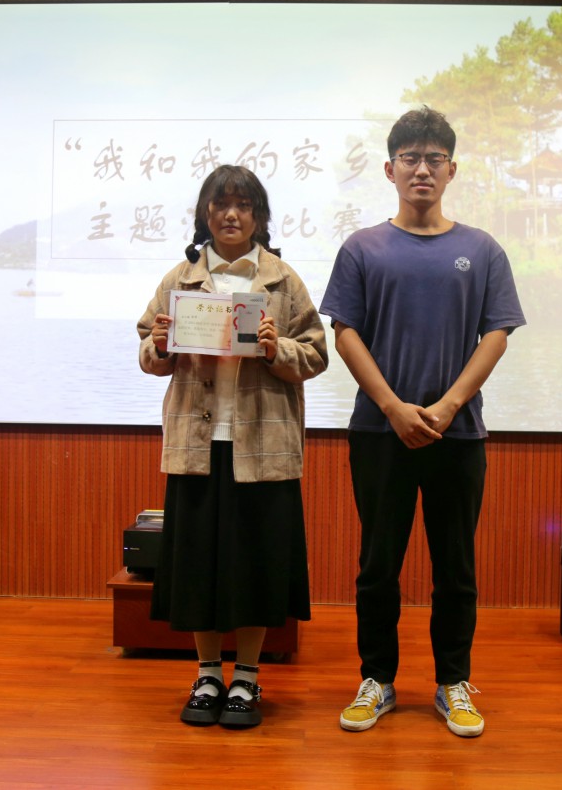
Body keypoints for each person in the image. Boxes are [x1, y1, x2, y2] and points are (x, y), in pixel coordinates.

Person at [319, 106, 525, 738]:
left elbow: (497, 334)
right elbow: (345, 333)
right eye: (410, 158)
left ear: (452, 169)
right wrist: (392, 406)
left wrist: (447, 406)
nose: (422, 169)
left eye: (435, 158)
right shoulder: (361, 248)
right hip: (379, 433)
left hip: (456, 434)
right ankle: (376, 680)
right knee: (378, 564)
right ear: (390, 169)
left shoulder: (482, 250)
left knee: (455, 567)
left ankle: (452, 683)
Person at [137, 164, 328, 728]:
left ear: (259, 217)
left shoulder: (283, 281)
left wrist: (276, 348)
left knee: (256, 567)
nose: (231, 215)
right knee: (198, 567)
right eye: (221, 204)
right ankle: (206, 674)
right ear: (205, 214)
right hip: (198, 447)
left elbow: (316, 355)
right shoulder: (181, 279)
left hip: (262, 447)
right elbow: (148, 353)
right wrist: (161, 343)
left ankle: (245, 676)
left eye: (243, 205)